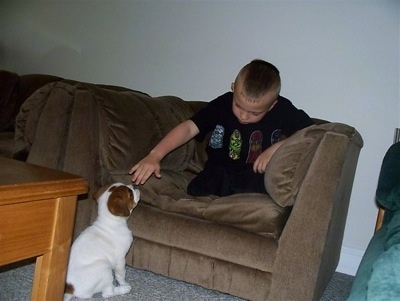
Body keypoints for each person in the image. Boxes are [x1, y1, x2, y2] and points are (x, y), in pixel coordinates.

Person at [130, 59, 314, 196]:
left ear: (272, 105)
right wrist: (155, 155)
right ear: (233, 88)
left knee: (265, 184)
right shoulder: (223, 103)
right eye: (239, 106)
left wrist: (275, 149)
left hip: (254, 175)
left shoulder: (282, 109)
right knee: (203, 184)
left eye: (254, 113)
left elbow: (310, 133)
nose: (243, 115)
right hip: (220, 170)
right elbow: (189, 128)